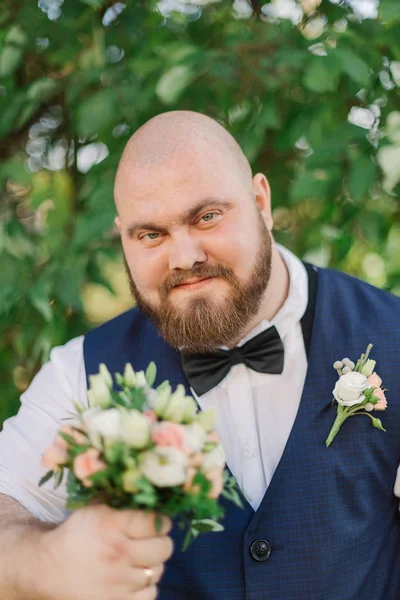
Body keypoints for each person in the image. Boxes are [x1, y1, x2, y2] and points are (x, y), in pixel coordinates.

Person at [0, 110, 400, 600]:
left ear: (261, 202)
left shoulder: (392, 335)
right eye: (151, 235)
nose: (184, 256)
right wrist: (45, 561)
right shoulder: (78, 373)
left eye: (207, 216)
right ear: (124, 236)